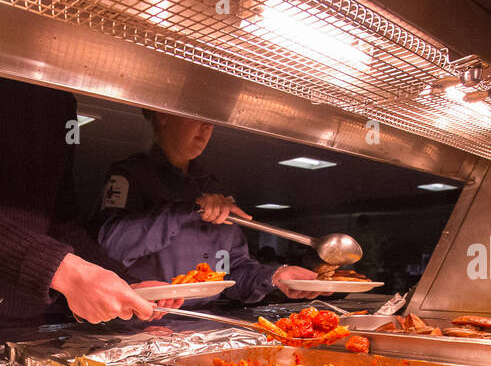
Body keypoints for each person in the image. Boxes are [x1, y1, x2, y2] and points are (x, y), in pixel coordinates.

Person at [0, 60, 175, 335]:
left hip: (29, 320)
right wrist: (61, 270)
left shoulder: (59, 99)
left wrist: (124, 285)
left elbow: (62, 224)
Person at [93, 110, 321, 304]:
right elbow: (111, 245)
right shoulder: (131, 175)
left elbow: (233, 272)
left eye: (211, 118)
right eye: (197, 114)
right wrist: (189, 210)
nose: (208, 125)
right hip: (145, 324)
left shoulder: (213, 187)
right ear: (163, 115)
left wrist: (277, 276)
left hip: (205, 325)